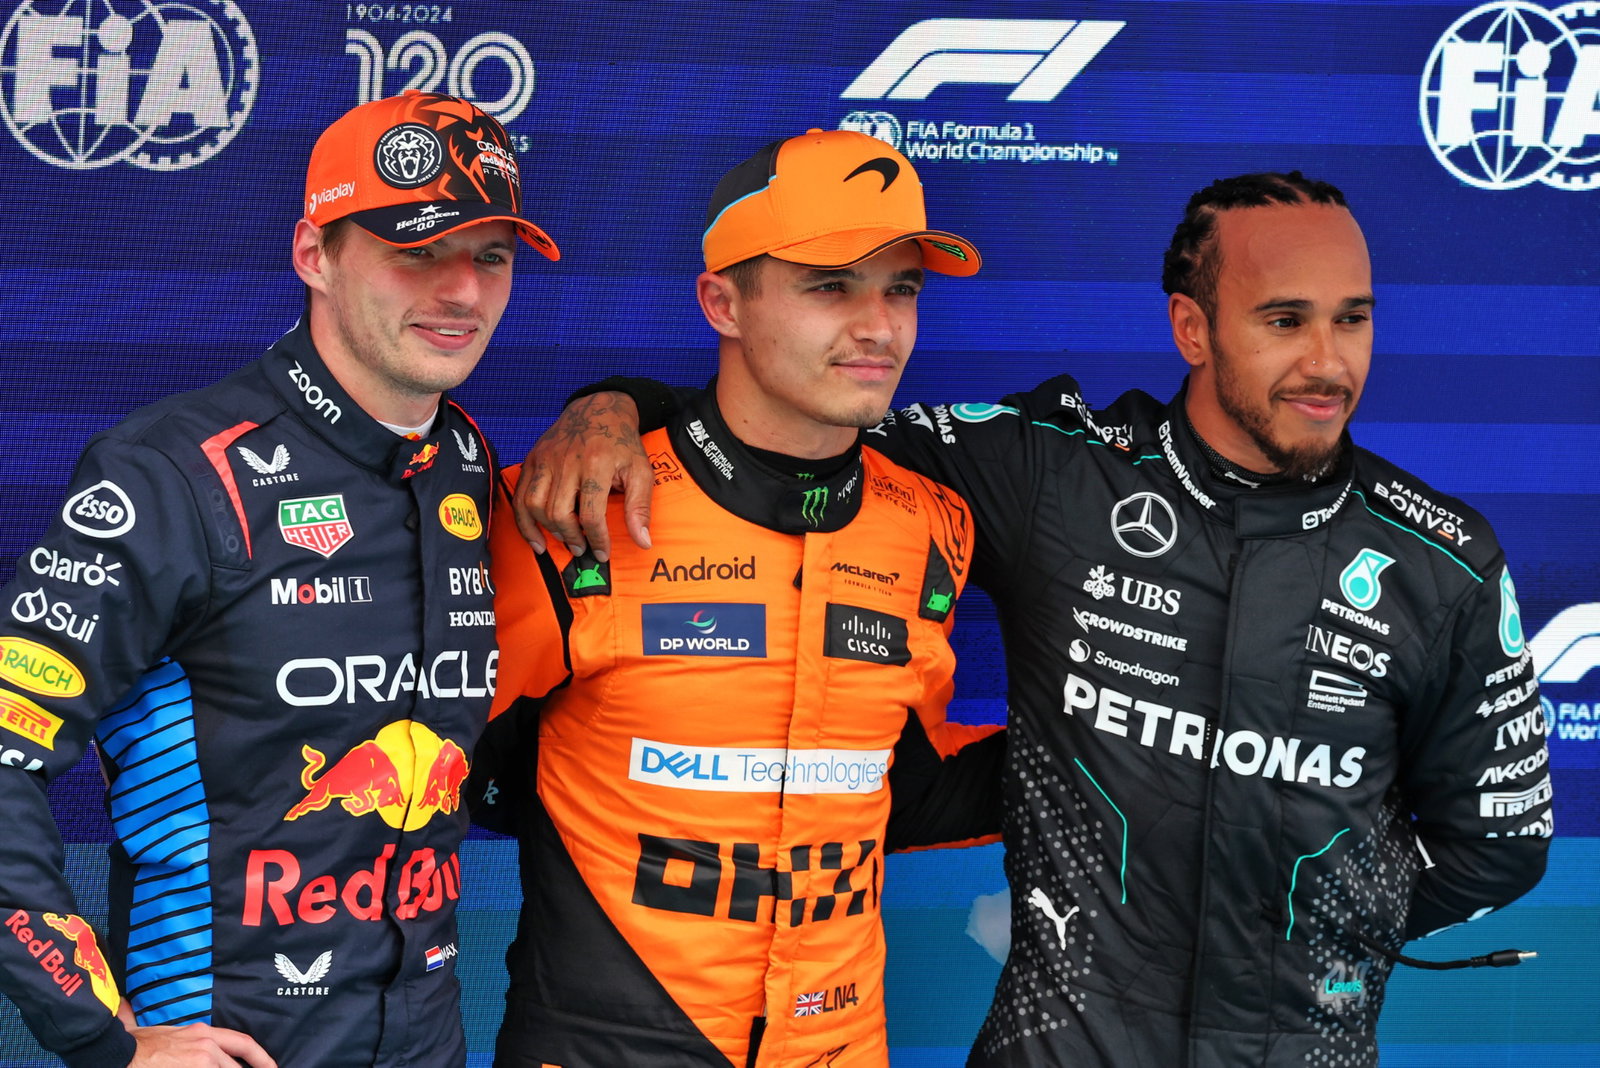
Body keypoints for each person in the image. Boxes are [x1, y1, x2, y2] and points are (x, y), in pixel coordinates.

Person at [517, 171, 1552, 1066]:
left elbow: (1496, 845)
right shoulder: (1051, 469)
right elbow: (787, 420)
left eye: (1352, 318)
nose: (1327, 360)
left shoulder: (1439, 557)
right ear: (1190, 328)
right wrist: (610, 406)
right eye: (1284, 321)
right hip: (1055, 1046)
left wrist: (1312, 921)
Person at [0, 89, 558, 1067]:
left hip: (427, 1042)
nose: (463, 291)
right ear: (314, 254)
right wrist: (105, 1040)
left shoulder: (464, 460)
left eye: (491, 255)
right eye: (418, 248)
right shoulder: (172, 473)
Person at [470, 128, 1004, 1067]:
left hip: (841, 1043)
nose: (879, 325)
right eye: (831, 284)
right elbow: (436, 764)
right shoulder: (574, 506)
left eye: (902, 288)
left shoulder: (933, 525)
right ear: (722, 301)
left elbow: (901, 780)